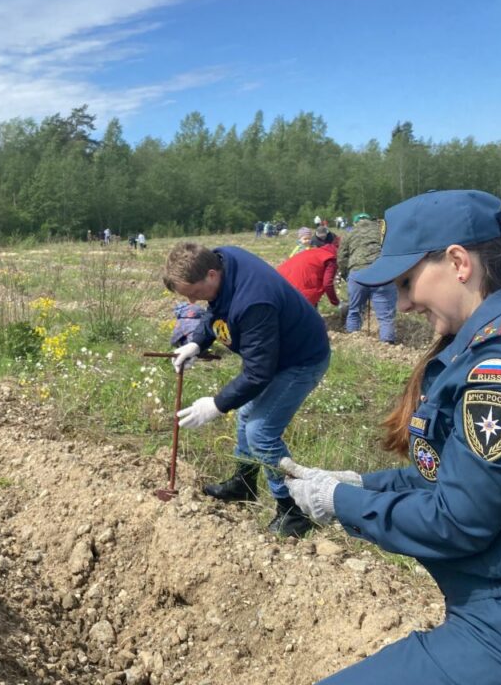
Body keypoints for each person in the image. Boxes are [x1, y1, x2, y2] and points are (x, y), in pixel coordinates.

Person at [281, 189, 501, 683]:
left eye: (406, 281)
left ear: (458, 262)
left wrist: (341, 503)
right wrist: (359, 483)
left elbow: (458, 521)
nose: (401, 302)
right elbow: (461, 476)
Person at [164, 242, 331, 537]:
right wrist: (197, 343)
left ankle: (293, 509)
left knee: (260, 432)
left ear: (211, 274)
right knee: (245, 416)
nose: (191, 300)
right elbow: (216, 311)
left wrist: (216, 404)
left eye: (194, 292)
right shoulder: (222, 258)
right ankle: (244, 484)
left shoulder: (254, 302)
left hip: (301, 360)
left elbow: (258, 373)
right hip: (277, 353)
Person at [338, 212, 396, 343]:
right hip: (382, 273)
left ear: (355, 223)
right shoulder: (382, 231)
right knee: (386, 316)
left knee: (354, 311)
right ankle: (387, 344)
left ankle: (353, 343)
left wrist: (346, 275)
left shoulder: (349, 234)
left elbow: (341, 258)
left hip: (358, 274)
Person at [276, 243, 342, 309]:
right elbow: (327, 284)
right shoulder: (330, 259)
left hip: (278, 285)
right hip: (299, 293)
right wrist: (336, 302)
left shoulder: (312, 251)